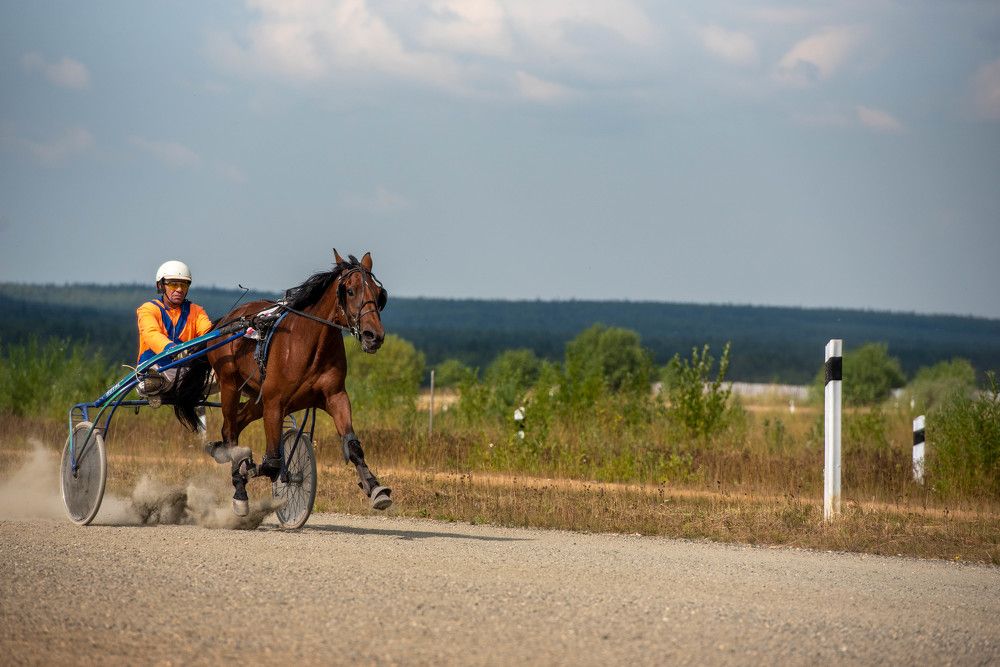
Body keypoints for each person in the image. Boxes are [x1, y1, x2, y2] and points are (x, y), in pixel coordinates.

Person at [135, 260, 213, 403]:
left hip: (186, 370)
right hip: (155, 366)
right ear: (160, 286)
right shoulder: (148, 309)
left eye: (183, 285)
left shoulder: (197, 311)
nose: (179, 289)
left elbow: (208, 332)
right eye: (173, 284)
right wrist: (172, 349)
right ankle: (152, 385)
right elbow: (151, 333)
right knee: (153, 379)